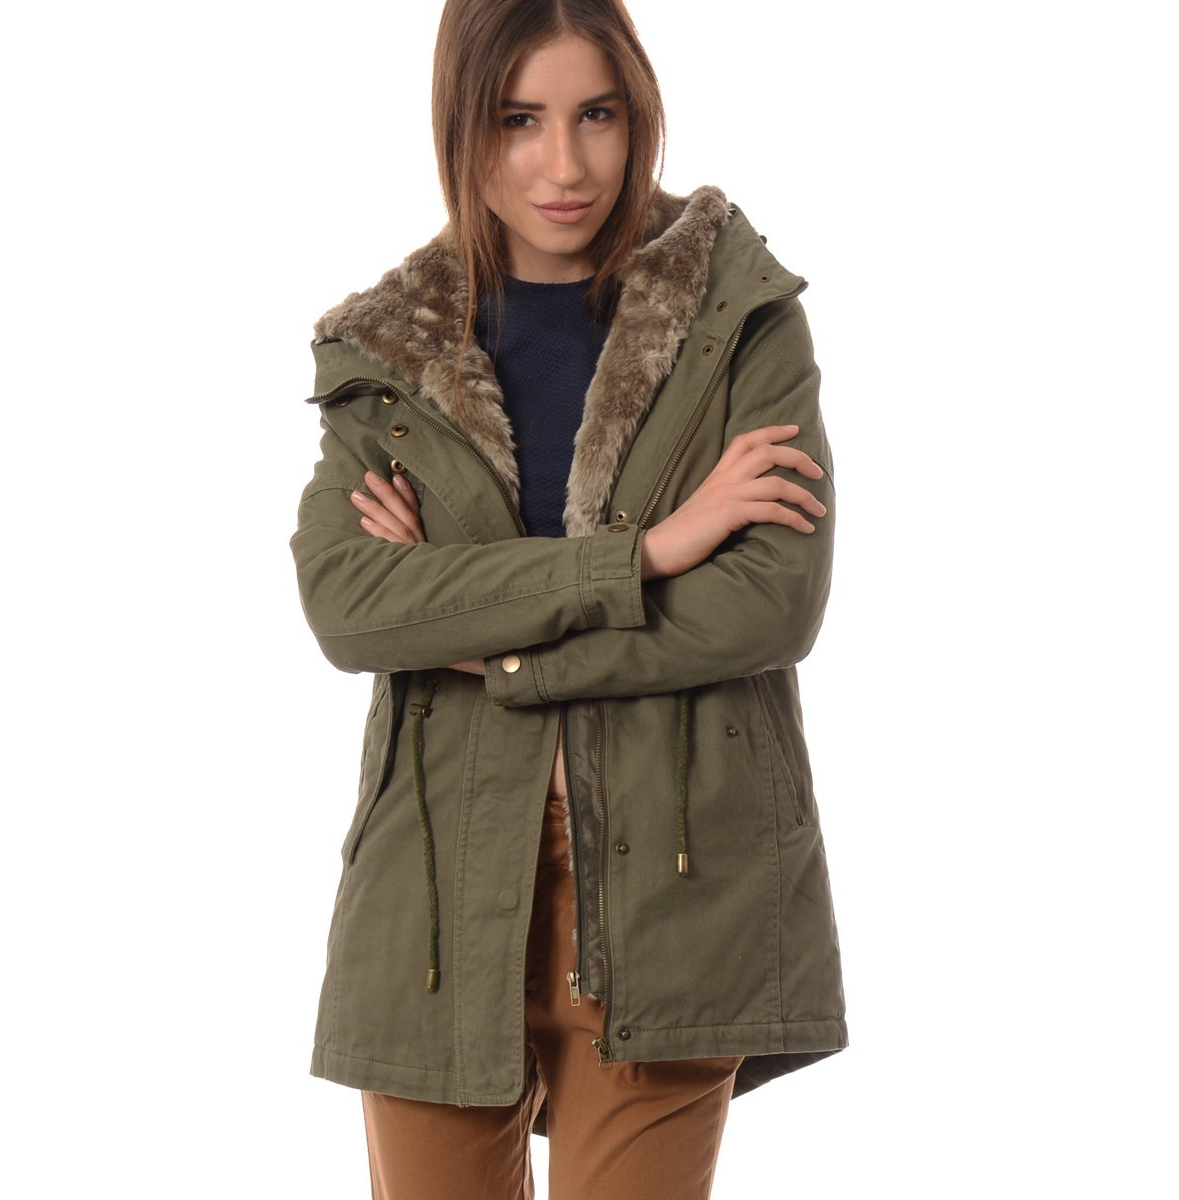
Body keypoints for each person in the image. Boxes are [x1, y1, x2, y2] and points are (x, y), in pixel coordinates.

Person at [290, 1, 847, 1195]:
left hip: (677, 885)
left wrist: (480, 636)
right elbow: (352, 605)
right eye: (519, 120)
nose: (566, 165)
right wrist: (646, 556)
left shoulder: (738, 315)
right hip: (434, 892)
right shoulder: (387, 353)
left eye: (596, 114)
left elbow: (769, 602)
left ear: (637, 111)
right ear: (461, 124)